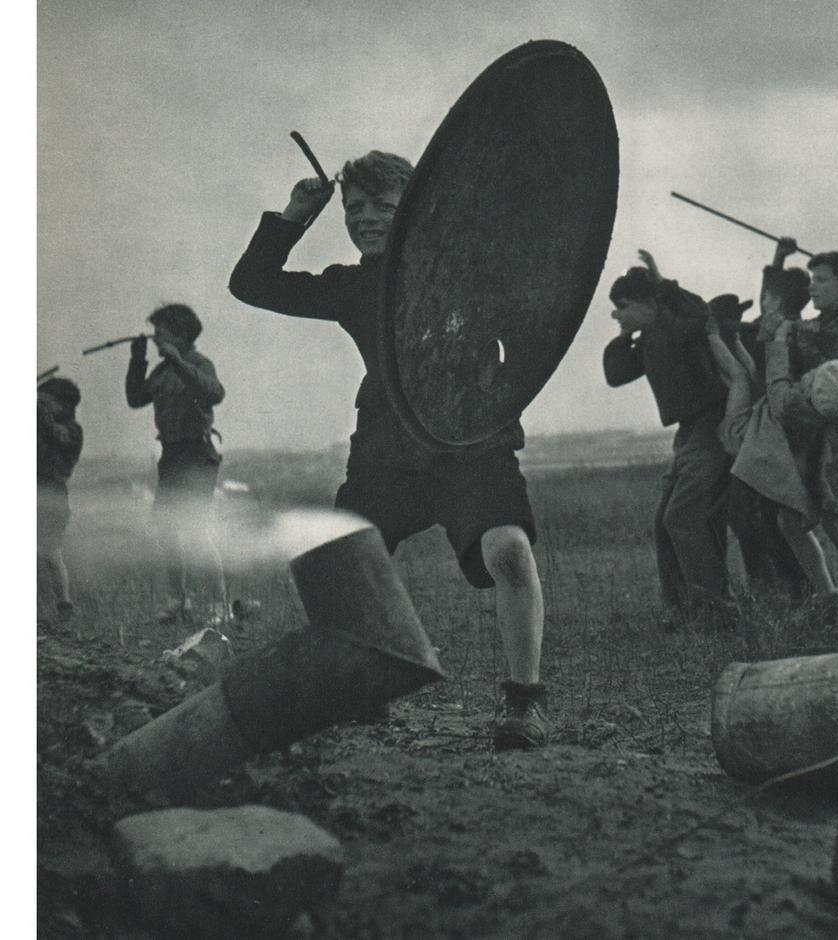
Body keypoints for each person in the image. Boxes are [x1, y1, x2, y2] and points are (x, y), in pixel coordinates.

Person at [228, 154, 550, 749]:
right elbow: (251, 285)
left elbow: (537, 321)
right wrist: (292, 218)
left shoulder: (467, 270)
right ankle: (365, 686)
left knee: (507, 550)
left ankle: (523, 704)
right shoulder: (352, 285)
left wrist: (495, 385)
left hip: (469, 444)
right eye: (355, 208)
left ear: (415, 207)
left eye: (383, 205)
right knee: (337, 560)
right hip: (386, 450)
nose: (366, 218)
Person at [731, 247, 838, 624]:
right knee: (790, 519)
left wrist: (786, 337)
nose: (812, 287)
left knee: (834, 517)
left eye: (821, 280)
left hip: (836, 442)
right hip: (806, 438)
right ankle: (828, 598)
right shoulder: (808, 326)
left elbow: (835, 381)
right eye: (812, 279)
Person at [603, 252, 733, 627]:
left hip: (712, 425)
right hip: (690, 431)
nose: (617, 314)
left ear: (649, 303)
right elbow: (615, 374)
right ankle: (682, 608)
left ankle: (716, 611)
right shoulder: (648, 340)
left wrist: (664, 287)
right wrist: (624, 335)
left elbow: (700, 314)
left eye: (623, 307)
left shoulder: (677, 325)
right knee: (666, 520)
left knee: (683, 516)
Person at [710, 236, 812, 603]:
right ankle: (783, 591)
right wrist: (777, 261)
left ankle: (793, 591)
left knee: (768, 518)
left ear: (778, 305)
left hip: (780, 445)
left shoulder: (794, 337)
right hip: (766, 443)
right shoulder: (779, 330)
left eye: (766, 299)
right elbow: (771, 307)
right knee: (755, 516)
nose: (761, 303)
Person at [125, 304, 227, 623]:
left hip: (197, 456)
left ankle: (218, 606)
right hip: (171, 456)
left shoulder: (198, 363)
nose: (155, 340)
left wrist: (177, 361)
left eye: (161, 334)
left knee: (197, 530)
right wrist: (137, 359)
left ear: (180, 336)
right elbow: (135, 398)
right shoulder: (160, 371)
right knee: (168, 531)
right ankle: (178, 602)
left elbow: (214, 393)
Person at [38, 377, 83, 620]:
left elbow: (58, 436)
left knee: (51, 554)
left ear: (65, 406)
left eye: (48, 403)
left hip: (52, 495)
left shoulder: (73, 431)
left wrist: (39, 410)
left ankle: (64, 606)